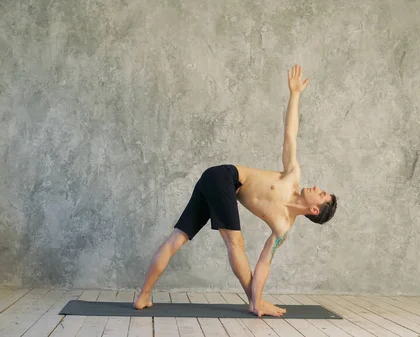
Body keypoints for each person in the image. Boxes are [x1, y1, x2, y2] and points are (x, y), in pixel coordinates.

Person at [133, 64, 338, 317]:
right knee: (235, 241)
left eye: (321, 193)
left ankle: (142, 297)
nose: (317, 187)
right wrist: (295, 95)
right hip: (224, 176)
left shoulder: (283, 228)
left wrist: (259, 292)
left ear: (315, 209)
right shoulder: (292, 175)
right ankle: (255, 303)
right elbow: (290, 135)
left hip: (217, 185)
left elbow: (265, 262)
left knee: (178, 237)